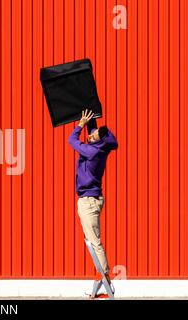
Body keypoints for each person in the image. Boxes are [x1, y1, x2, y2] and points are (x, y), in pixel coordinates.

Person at [68, 109, 118, 290]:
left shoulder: (92, 152)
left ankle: (106, 280)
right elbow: (93, 131)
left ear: (99, 141)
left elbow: (72, 140)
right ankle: (102, 279)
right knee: (91, 241)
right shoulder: (99, 147)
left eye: (94, 135)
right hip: (90, 198)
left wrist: (79, 125)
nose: (91, 135)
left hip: (88, 201)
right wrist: (90, 113)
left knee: (94, 242)